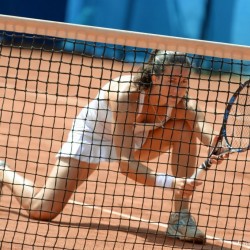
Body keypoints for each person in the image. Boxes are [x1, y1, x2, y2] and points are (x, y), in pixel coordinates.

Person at [0, 50, 223, 244]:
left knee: (184, 129)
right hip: (94, 136)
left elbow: (198, 124)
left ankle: (180, 217)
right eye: (173, 81)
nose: (179, 88)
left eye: (184, 82)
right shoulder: (126, 96)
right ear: (155, 77)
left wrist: (214, 141)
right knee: (43, 209)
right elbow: (125, 164)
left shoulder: (181, 102)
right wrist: (171, 182)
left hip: (138, 137)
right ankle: (3, 171)